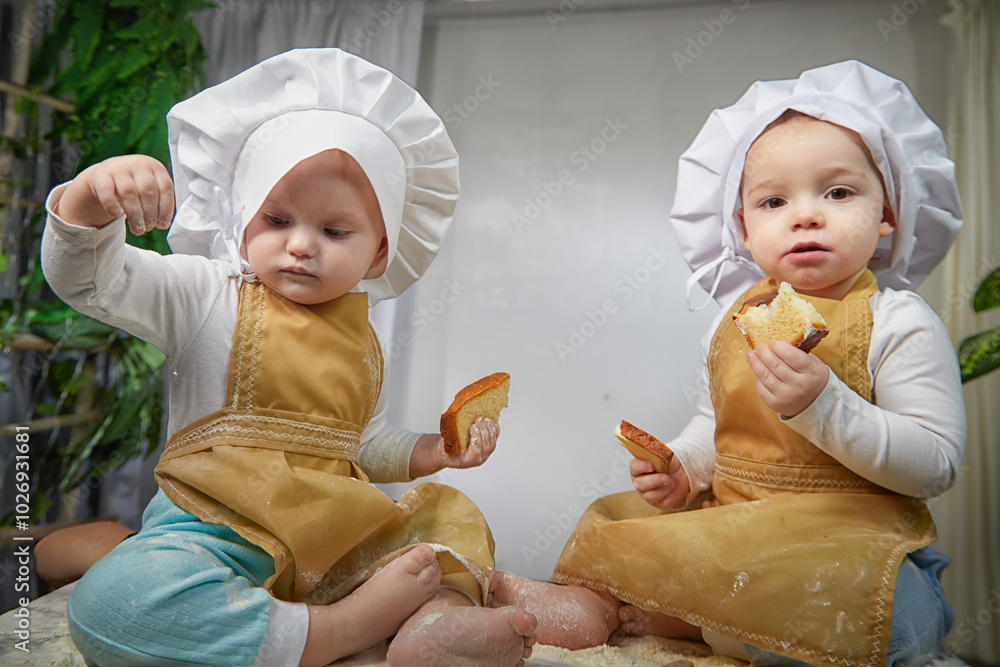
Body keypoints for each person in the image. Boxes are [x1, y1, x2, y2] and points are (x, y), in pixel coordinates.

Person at [41, 48, 535, 667]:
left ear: (378, 253)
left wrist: (436, 453)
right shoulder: (202, 294)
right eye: (277, 219)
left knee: (446, 526)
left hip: (335, 540)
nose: (301, 245)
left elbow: (361, 444)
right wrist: (90, 199)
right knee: (115, 603)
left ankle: (442, 625)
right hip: (216, 536)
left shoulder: (363, 338)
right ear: (242, 218)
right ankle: (334, 631)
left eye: (334, 232)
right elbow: (87, 281)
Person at [488, 60, 965, 667]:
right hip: (736, 521)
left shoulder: (900, 321)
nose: (806, 214)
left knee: (887, 625)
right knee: (624, 527)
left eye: (839, 192)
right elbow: (719, 420)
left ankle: (686, 618)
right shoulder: (733, 319)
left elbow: (936, 465)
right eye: (773, 200)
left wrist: (825, 405)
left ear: (888, 212)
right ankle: (604, 607)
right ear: (743, 226)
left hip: (848, 539)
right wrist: (686, 467)